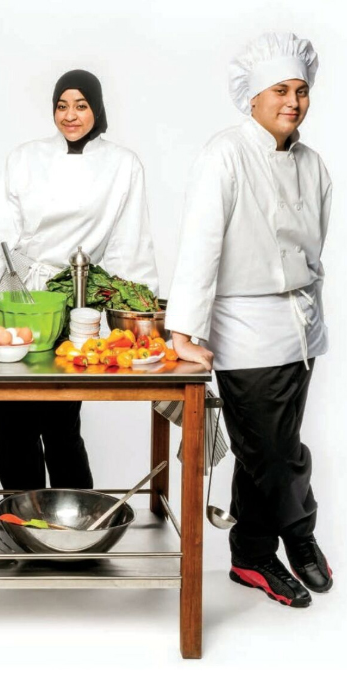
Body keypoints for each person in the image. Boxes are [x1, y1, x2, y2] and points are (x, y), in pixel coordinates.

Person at [166, 33, 333, 608]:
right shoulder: (226, 153)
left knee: (270, 448)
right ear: (253, 98)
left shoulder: (314, 166)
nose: (293, 101)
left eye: (301, 90)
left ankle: (251, 558)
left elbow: (316, 247)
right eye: (280, 90)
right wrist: (182, 332)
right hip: (244, 327)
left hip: (300, 326)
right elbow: (200, 246)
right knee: (276, 453)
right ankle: (300, 539)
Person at [0, 70, 159, 489]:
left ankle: (75, 522)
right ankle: (21, 522)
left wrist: (137, 323)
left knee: (61, 420)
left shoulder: (123, 165)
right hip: (14, 299)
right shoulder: (24, 157)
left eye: (81, 106)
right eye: (62, 106)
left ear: (97, 108)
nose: (70, 116)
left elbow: (130, 244)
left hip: (73, 303)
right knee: (10, 420)